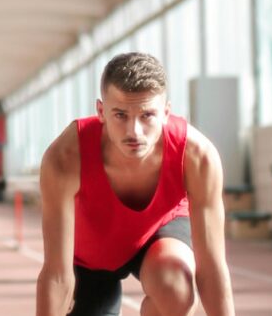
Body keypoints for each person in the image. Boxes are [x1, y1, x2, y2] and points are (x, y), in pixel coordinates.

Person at [35, 53, 234, 316]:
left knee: (176, 289)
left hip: (159, 236)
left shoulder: (197, 157)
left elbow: (211, 267)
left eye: (147, 115)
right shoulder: (65, 158)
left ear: (165, 113)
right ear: (100, 111)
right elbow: (57, 275)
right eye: (120, 115)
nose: (134, 132)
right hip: (91, 259)